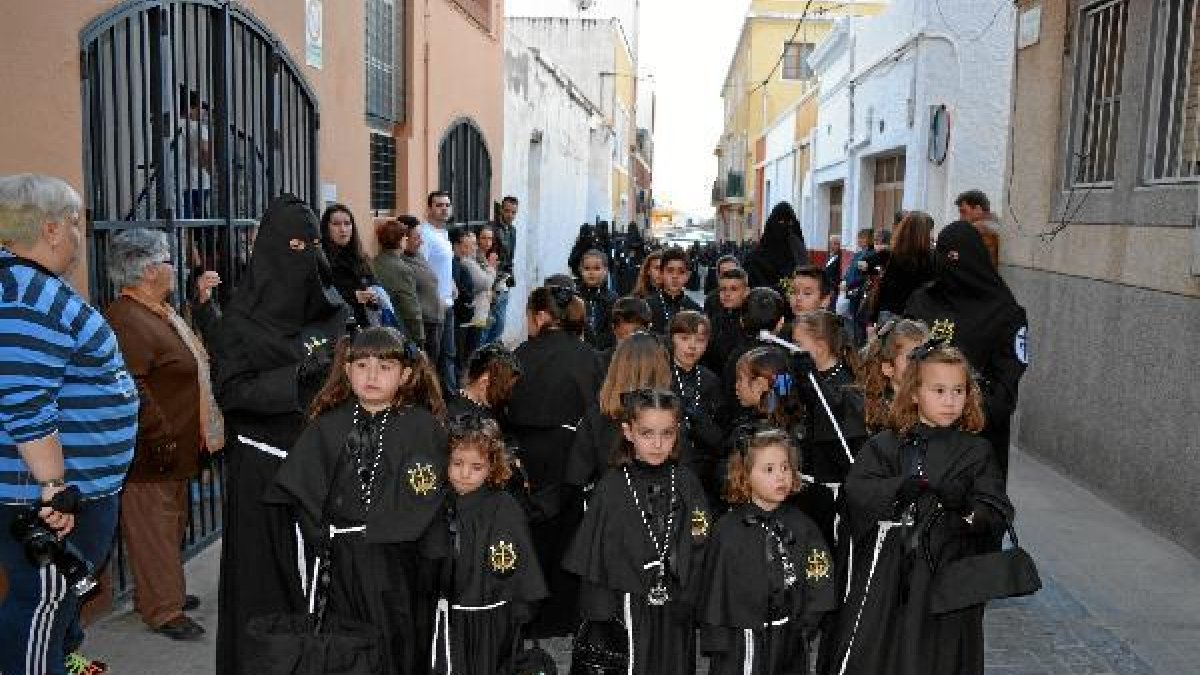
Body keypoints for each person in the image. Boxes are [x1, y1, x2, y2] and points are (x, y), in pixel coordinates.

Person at [0, 175, 139, 675]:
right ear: (53, 229)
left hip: (64, 486)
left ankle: (61, 658)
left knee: (57, 599)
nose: (83, 237)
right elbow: (23, 402)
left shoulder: (28, 288)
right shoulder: (25, 297)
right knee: (44, 598)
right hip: (43, 493)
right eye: (78, 224)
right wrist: (53, 488)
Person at [212, 194, 350, 672]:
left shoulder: (332, 309)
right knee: (265, 584)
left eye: (312, 243)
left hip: (325, 469)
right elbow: (231, 393)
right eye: (294, 243)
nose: (305, 255)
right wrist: (293, 378)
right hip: (264, 471)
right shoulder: (240, 321)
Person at [264, 327, 447, 674]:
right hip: (342, 563)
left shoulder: (423, 429)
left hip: (400, 564)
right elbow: (301, 495)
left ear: (406, 374)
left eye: (385, 367)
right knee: (346, 646)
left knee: (399, 642)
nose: (372, 376)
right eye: (362, 366)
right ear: (347, 371)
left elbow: (437, 504)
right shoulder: (326, 427)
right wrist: (322, 540)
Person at [832, 342, 1012, 675]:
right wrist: (898, 487)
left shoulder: (977, 451)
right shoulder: (885, 445)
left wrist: (968, 516)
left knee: (941, 655)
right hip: (889, 575)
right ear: (915, 393)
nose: (950, 400)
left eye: (958, 390)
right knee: (883, 651)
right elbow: (855, 495)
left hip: (948, 573)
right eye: (939, 390)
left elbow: (995, 506)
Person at [104, 229, 224, 640]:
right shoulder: (127, 318)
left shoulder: (156, 311)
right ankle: (162, 609)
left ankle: (160, 593)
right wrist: (159, 435)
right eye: (170, 261)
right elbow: (131, 386)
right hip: (151, 449)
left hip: (173, 445)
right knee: (153, 527)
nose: (177, 268)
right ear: (150, 270)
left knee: (170, 524)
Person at [563, 390, 711, 675]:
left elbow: (699, 541)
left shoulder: (685, 482)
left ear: (677, 433)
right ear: (628, 432)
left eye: (667, 434)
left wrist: (690, 594)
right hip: (626, 604)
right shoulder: (612, 486)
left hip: (674, 602)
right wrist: (600, 614)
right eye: (647, 433)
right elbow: (595, 555)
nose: (657, 444)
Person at [698, 428, 836, 674]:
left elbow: (819, 570)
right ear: (745, 475)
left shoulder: (802, 526)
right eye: (769, 469)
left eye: (785, 467)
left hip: (789, 634)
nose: (781, 476)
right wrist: (716, 637)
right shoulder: (728, 530)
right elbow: (714, 586)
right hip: (742, 638)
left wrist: (810, 619)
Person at [506, 285, 603, 636]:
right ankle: (561, 616)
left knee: (528, 532)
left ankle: (527, 614)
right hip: (571, 454)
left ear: (542, 316)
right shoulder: (589, 356)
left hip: (524, 453)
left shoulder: (520, 354)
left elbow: (504, 402)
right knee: (567, 533)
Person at [904, 221, 1027, 480]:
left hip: (978, 440)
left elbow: (1006, 386)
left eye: (952, 257)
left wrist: (963, 410)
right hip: (919, 432)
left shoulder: (1005, 312)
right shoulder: (922, 300)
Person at [431, 414, 548, 674]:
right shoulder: (435, 504)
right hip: (443, 619)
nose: (464, 474)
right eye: (457, 463)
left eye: (476, 467)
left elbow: (519, 570)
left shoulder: (504, 508)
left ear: (492, 466)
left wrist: (514, 615)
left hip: (491, 622)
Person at [789, 310, 867, 548]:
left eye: (798, 344)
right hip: (809, 485)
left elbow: (832, 420)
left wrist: (810, 379)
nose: (792, 349)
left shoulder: (846, 385)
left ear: (820, 346)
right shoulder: (805, 378)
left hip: (831, 496)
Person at [565, 332, 673, 491]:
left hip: (610, 506)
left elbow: (576, 477)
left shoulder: (598, 416)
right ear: (661, 369)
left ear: (617, 367)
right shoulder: (670, 416)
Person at [667, 311, 725, 505]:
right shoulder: (659, 375)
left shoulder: (711, 380)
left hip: (702, 473)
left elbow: (719, 437)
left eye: (700, 340)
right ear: (671, 339)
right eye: (684, 338)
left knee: (698, 525)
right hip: (667, 466)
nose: (692, 346)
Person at [719, 288, 788, 425]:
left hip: (739, 426)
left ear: (741, 321)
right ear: (780, 322)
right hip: (776, 426)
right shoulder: (784, 359)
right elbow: (784, 395)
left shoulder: (736, 356)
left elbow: (728, 395)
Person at [860, 319, 931, 433]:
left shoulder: (934, 406)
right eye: (913, 358)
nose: (923, 364)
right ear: (888, 368)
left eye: (927, 356)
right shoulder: (872, 414)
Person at [421, 191, 458, 391]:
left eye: (447, 205)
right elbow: (422, 269)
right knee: (435, 359)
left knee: (449, 354)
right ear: (429, 208)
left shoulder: (443, 233)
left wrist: (451, 281)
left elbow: (442, 266)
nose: (444, 208)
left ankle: (450, 397)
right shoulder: (425, 234)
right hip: (435, 307)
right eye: (439, 205)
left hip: (448, 303)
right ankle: (438, 398)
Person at [320, 204, 378, 330]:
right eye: (336, 224)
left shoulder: (361, 257)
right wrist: (353, 296)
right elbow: (319, 298)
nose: (343, 229)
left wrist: (373, 296)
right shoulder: (321, 258)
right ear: (326, 227)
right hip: (336, 332)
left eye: (347, 223)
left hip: (364, 328)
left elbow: (374, 284)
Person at [872, 211, 935, 326]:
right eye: (930, 231)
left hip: (889, 315)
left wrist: (874, 319)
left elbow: (884, 288)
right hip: (911, 319)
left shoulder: (892, 254)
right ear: (921, 233)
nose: (932, 235)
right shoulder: (929, 258)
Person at [372, 217, 424, 343]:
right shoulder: (403, 270)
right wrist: (419, 338)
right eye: (405, 237)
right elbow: (411, 309)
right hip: (400, 331)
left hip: (378, 329)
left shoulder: (373, 263)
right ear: (400, 241)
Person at [401, 215, 445, 361]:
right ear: (403, 239)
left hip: (435, 320)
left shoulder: (417, 255)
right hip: (423, 325)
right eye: (417, 238)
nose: (421, 242)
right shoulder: (401, 263)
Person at [445, 342, 523, 423]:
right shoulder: (458, 417)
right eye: (503, 389)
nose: (506, 396)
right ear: (484, 382)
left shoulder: (493, 410)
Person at [744, 202, 808, 291]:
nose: (786, 227)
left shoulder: (797, 251)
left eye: (789, 222)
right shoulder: (754, 261)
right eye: (781, 222)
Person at [457, 228, 495, 362]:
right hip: (474, 313)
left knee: (474, 348)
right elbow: (486, 282)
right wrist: (491, 267)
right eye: (472, 244)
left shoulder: (475, 259)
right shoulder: (467, 262)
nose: (475, 246)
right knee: (470, 352)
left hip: (480, 312)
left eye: (474, 243)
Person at [703, 266, 750, 374]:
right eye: (723, 289)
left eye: (734, 289)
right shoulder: (713, 321)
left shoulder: (753, 323)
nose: (727, 294)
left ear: (746, 291)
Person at [648, 247, 702, 335]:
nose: (675, 276)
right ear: (661, 273)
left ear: (687, 276)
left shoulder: (695, 311)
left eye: (681, 272)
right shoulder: (647, 306)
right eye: (670, 271)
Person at [577, 249, 618, 351]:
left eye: (596, 268)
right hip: (579, 351)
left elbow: (613, 330)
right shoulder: (576, 296)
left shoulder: (612, 298)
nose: (591, 272)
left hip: (604, 352)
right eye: (587, 268)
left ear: (605, 271)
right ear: (580, 270)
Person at [955, 190, 1000, 269]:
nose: (960, 217)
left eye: (963, 212)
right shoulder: (999, 226)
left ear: (978, 209)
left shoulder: (978, 230)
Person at [824, 234, 844, 312]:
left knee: (832, 309)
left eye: (836, 244)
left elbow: (839, 274)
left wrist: (834, 286)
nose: (833, 246)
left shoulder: (841, 258)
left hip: (834, 287)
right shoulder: (830, 257)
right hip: (827, 286)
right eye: (831, 243)